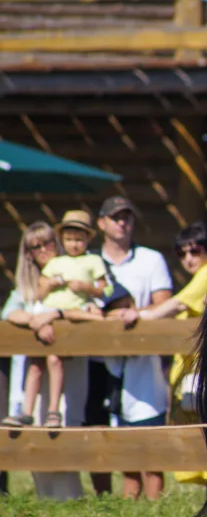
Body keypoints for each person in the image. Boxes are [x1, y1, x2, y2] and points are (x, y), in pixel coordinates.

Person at [1, 222, 106, 499]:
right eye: (37, 246)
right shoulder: (26, 289)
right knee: (36, 434)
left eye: (49, 242)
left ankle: (70, 500)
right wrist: (35, 320)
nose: (45, 249)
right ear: (29, 254)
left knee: (64, 430)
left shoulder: (77, 274)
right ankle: (45, 500)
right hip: (36, 374)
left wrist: (55, 314)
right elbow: (10, 313)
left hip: (67, 372)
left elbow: (86, 309)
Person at [118, 223, 207, 486]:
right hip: (197, 366)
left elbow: (175, 304)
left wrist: (140, 315)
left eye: (195, 251)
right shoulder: (205, 273)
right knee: (203, 431)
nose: (189, 258)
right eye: (182, 253)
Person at [96, 196, 173, 500]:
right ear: (101, 222)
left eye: (127, 216)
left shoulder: (151, 259)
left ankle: (154, 507)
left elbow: (163, 302)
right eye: (115, 217)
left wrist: (134, 314)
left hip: (144, 361)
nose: (122, 222)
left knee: (150, 441)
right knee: (114, 440)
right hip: (102, 361)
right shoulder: (91, 262)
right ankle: (119, 504)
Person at [31, 210, 109, 428]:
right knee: (48, 359)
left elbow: (103, 289)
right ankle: (45, 409)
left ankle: (63, 414)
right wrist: (51, 283)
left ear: (87, 239)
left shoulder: (93, 260)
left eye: (79, 239)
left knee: (69, 367)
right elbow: (39, 290)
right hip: (54, 313)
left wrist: (86, 287)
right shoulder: (57, 263)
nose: (74, 244)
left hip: (78, 314)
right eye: (69, 239)